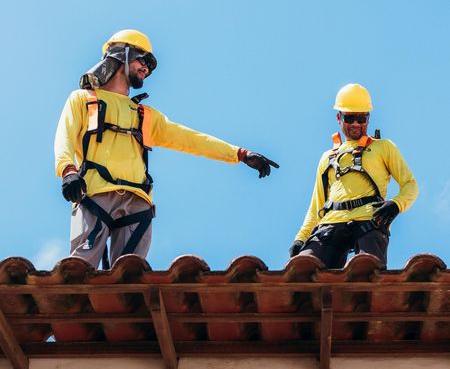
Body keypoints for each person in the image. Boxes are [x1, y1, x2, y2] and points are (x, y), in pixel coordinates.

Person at [55, 29, 279, 269]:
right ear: (123, 54)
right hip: (95, 196)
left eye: (150, 66)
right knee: (78, 269)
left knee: (130, 276)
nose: (147, 70)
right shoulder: (83, 99)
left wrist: (239, 154)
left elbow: (192, 139)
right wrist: (68, 171)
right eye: (144, 60)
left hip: (137, 203)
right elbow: (64, 137)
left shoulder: (145, 116)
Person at [289, 83, 418, 268]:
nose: (356, 124)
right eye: (350, 118)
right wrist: (301, 238)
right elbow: (316, 206)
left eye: (361, 118)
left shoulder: (383, 147)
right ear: (338, 118)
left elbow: (410, 184)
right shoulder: (328, 157)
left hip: (369, 222)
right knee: (303, 270)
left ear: (368, 117)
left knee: (366, 271)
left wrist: (396, 205)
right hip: (331, 224)